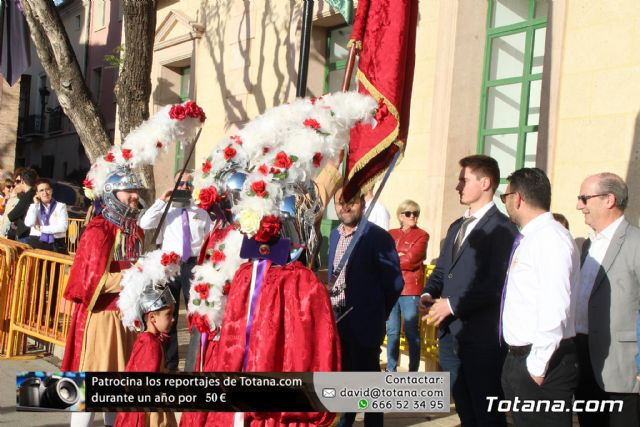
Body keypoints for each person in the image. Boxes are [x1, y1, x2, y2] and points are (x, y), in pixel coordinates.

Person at [419, 154, 516, 427]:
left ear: (485, 183)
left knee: (486, 413)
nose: (457, 186)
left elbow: (496, 284)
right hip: (450, 335)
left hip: (482, 339)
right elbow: (441, 272)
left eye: (464, 180)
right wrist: (428, 294)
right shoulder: (456, 226)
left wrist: (451, 305)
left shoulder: (503, 229)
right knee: (465, 409)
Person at [62, 166, 144, 427]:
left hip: (126, 318)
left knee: (118, 387)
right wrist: (135, 276)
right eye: (128, 190)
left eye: (136, 190)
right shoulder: (98, 230)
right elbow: (93, 282)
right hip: (101, 319)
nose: (134, 195)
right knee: (91, 385)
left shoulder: (135, 230)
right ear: (111, 193)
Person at [500, 167, 579, 427]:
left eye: (506, 196)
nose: (506, 203)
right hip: (522, 357)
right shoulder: (532, 237)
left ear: (518, 198)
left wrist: (536, 367)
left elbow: (556, 306)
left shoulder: (550, 238)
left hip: (542, 362)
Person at [328, 187, 403, 427]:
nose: (345, 207)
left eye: (351, 201)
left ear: (362, 202)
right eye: (340, 203)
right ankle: (345, 422)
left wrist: (375, 310)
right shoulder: (334, 235)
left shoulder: (378, 237)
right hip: (337, 321)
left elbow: (394, 283)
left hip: (365, 323)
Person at [574, 172, 640, 427]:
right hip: (585, 356)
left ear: (609, 200)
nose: (579, 205)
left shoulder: (635, 242)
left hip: (622, 364)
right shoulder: (589, 245)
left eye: (584, 198)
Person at [138, 171, 211, 372]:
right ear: (174, 185)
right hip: (169, 265)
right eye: (181, 183)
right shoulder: (166, 210)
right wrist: (162, 200)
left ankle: (195, 362)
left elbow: (210, 240)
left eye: (188, 184)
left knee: (195, 312)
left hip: (193, 265)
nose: (185, 187)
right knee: (166, 315)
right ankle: (170, 364)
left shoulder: (201, 212)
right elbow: (144, 224)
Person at [115, 269, 178, 427]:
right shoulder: (151, 345)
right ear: (152, 318)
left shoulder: (146, 338)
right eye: (168, 314)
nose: (173, 319)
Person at [386, 199, 429, 372]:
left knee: (411, 332)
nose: (413, 217)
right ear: (400, 216)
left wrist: (393, 257)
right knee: (392, 332)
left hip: (410, 289)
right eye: (409, 213)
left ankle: (413, 372)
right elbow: (382, 256)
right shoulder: (390, 234)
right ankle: (390, 369)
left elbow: (412, 260)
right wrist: (400, 255)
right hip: (391, 287)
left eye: (416, 213)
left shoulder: (422, 235)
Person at [24, 178, 69, 254]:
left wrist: (41, 228)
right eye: (41, 190)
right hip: (37, 243)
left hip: (56, 244)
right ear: (37, 193)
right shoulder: (34, 206)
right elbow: (28, 223)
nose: (45, 193)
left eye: (47, 189)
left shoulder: (60, 206)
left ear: (51, 191)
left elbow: (63, 227)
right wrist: (35, 205)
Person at [7, 168, 38, 243]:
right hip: (31, 234)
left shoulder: (28, 196)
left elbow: (12, 216)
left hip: (25, 235)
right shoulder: (35, 194)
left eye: (19, 181)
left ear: (23, 181)